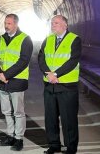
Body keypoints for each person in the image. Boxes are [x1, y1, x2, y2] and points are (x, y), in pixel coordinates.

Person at [38, 15, 81, 154]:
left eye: (56, 23)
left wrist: (55, 74)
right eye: (52, 23)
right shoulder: (48, 39)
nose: (53, 25)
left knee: (69, 119)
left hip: (67, 86)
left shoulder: (74, 39)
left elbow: (72, 61)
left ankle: (71, 148)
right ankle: (54, 145)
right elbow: (41, 57)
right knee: (50, 118)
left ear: (65, 25)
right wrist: (47, 74)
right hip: (50, 86)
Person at [0, 14, 33, 151]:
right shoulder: (1, 38)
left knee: (18, 112)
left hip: (17, 80)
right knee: (6, 111)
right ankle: (10, 136)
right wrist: (0, 73)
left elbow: (24, 61)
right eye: (5, 23)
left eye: (9, 23)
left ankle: (19, 139)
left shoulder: (25, 39)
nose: (6, 25)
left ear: (16, 24)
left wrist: (7, 74)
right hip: (2, 80)